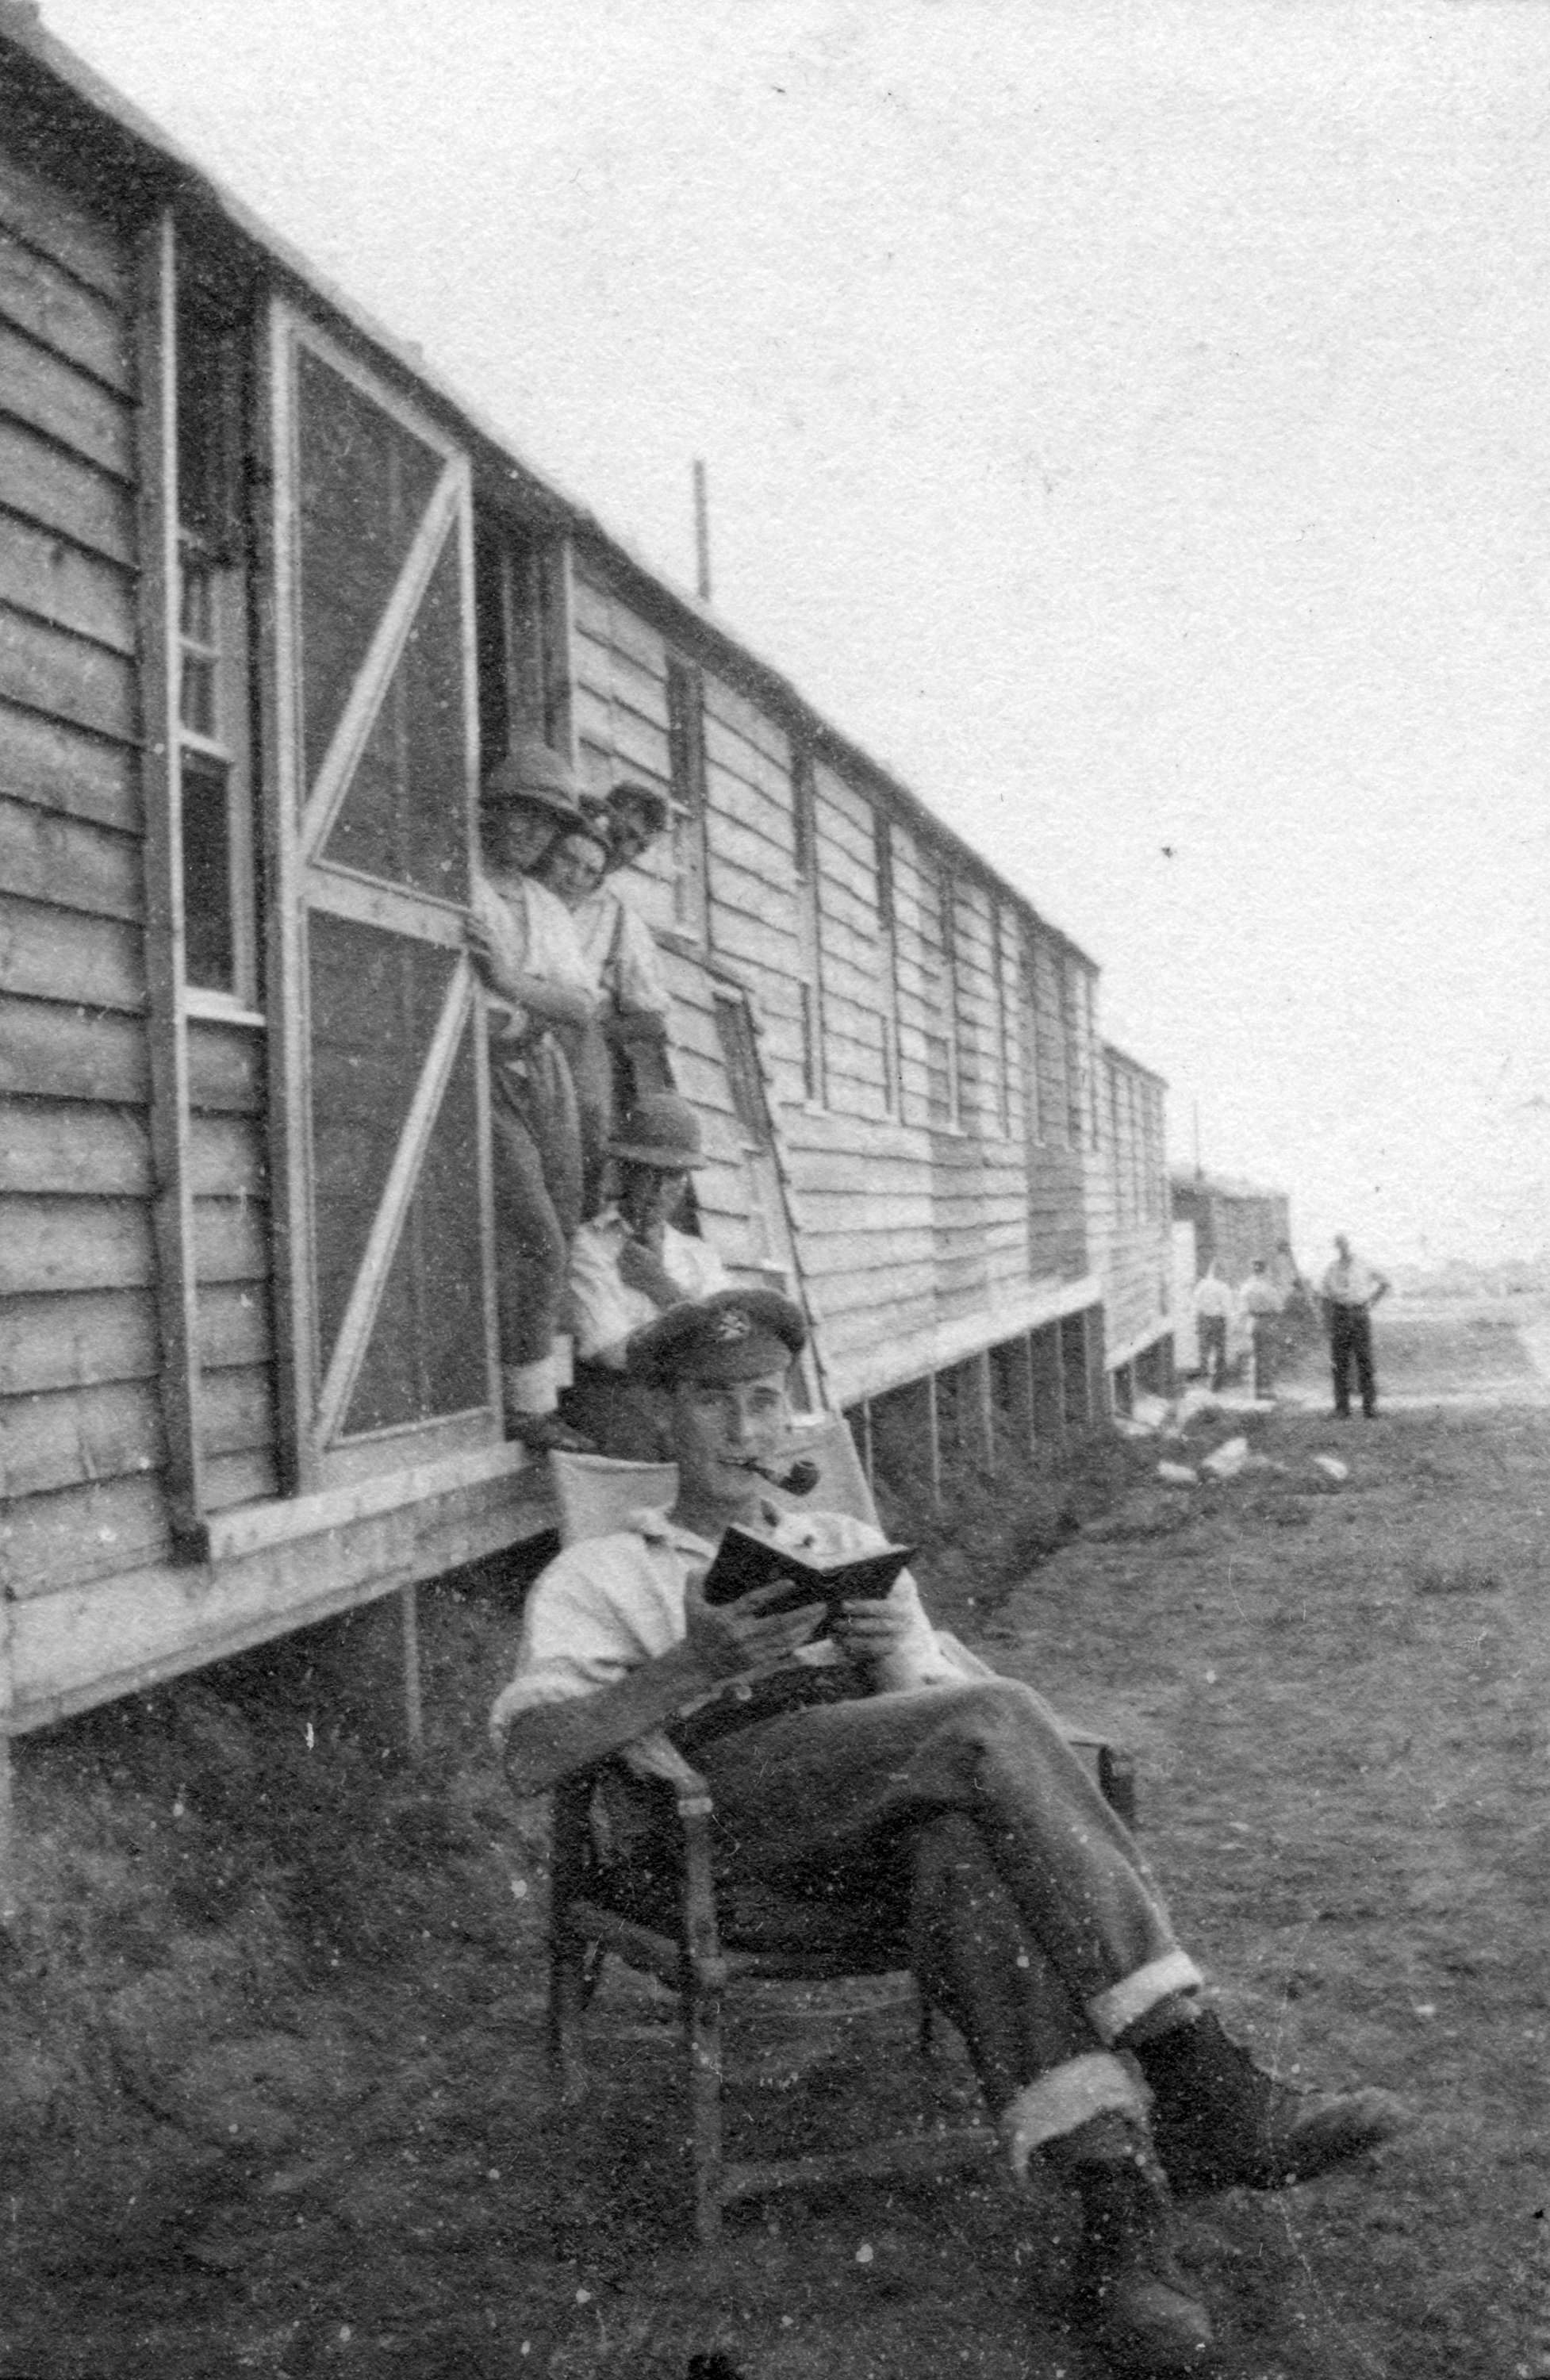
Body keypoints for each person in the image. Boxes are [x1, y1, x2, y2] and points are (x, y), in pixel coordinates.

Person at [492, 1289, 1408, 2374]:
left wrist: (887, 1652)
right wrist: (693, 1665)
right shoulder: (600, 1572)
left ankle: (1118, 2217)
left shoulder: (839, 1543)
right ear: (660, 1417)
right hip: (722, 1835)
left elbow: (939, 1719)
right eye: (711, 1404)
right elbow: (530, 1757)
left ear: (792, 1415)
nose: (744, 1432)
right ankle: (1197, 2069)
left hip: (875, 1838)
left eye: (764, 1402)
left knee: (964, 1854)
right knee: (990, 1714)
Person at [469, 735, 602, 1453]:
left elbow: (579, 1006)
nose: (529, 834)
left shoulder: (544, 906)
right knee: (536, 1235)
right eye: (518, 816)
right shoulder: (460, 880)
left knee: (564, 1221)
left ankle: (546, 1396)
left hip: (537, 1066)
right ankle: (525, 1407)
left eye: (544, 824)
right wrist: (522, 997)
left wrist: (514, 983)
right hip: (478, 1067)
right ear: (491, 812)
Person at [561, 1092, 731, 1458]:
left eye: (671, 1176)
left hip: (689, 1417)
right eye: (646, 1173)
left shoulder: (697, 1255)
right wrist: (695, 1329)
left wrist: (662, 1287)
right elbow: (612, 1352)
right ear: (624, 1172)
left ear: (685, 1182)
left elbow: (727, 1341)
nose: (657, 1191)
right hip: (621, 1423)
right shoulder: (589, 1246)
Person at [571, 781, 678, 1158]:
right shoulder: (547, 878)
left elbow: (652, 1021)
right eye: (622, 832)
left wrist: (591, 1026)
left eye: (639, 845)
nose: (626, 849)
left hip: (571, 1049)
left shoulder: (620, 921)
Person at [534, 806, 618, 1221]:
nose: (575, 878)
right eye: (568, 860)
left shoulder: (563, 919)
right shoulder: (528, 903)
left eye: (589, 872)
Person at [1320, 1234, 1391, 1418]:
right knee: (1339, 1362)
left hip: (1359, 1314)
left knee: (1364, 1361)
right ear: (1336, 1247)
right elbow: (1325, 1296)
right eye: (1338, 1245)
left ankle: (1370, 1407)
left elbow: (1385, 1283)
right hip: (1340, 1315)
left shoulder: (1364, 1265)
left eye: (1344, 1244)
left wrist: (1371, 1303)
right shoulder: (1331, 1268)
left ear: (1349, 1245)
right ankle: (1342, 1408)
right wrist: (1328, 1321)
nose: (1342, 1248)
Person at [1237, 1258, 1284, 1399]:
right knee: (1267, 1357)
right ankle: (1266, 1390)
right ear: (1264, 1269)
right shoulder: (1268, 1287)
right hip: (1266, 1321)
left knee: (1253, 1357)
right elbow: (1278, 1307)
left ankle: (1254, 1391)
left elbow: (1242, 1309)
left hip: (1251, 1321)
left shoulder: (1246, 1287)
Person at [1190, 1261, 1233, 1392]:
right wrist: (1230, 1324)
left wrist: (1196, 1322)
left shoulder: (1201, 1285)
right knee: (1219, 1353)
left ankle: (1205, 1381)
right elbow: (1227, 1308)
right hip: (1218, 1321)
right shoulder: (1223, 1287)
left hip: (1203, 1319)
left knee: (1205, 1351)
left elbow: (1195, 1305)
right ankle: (1216, 1385)